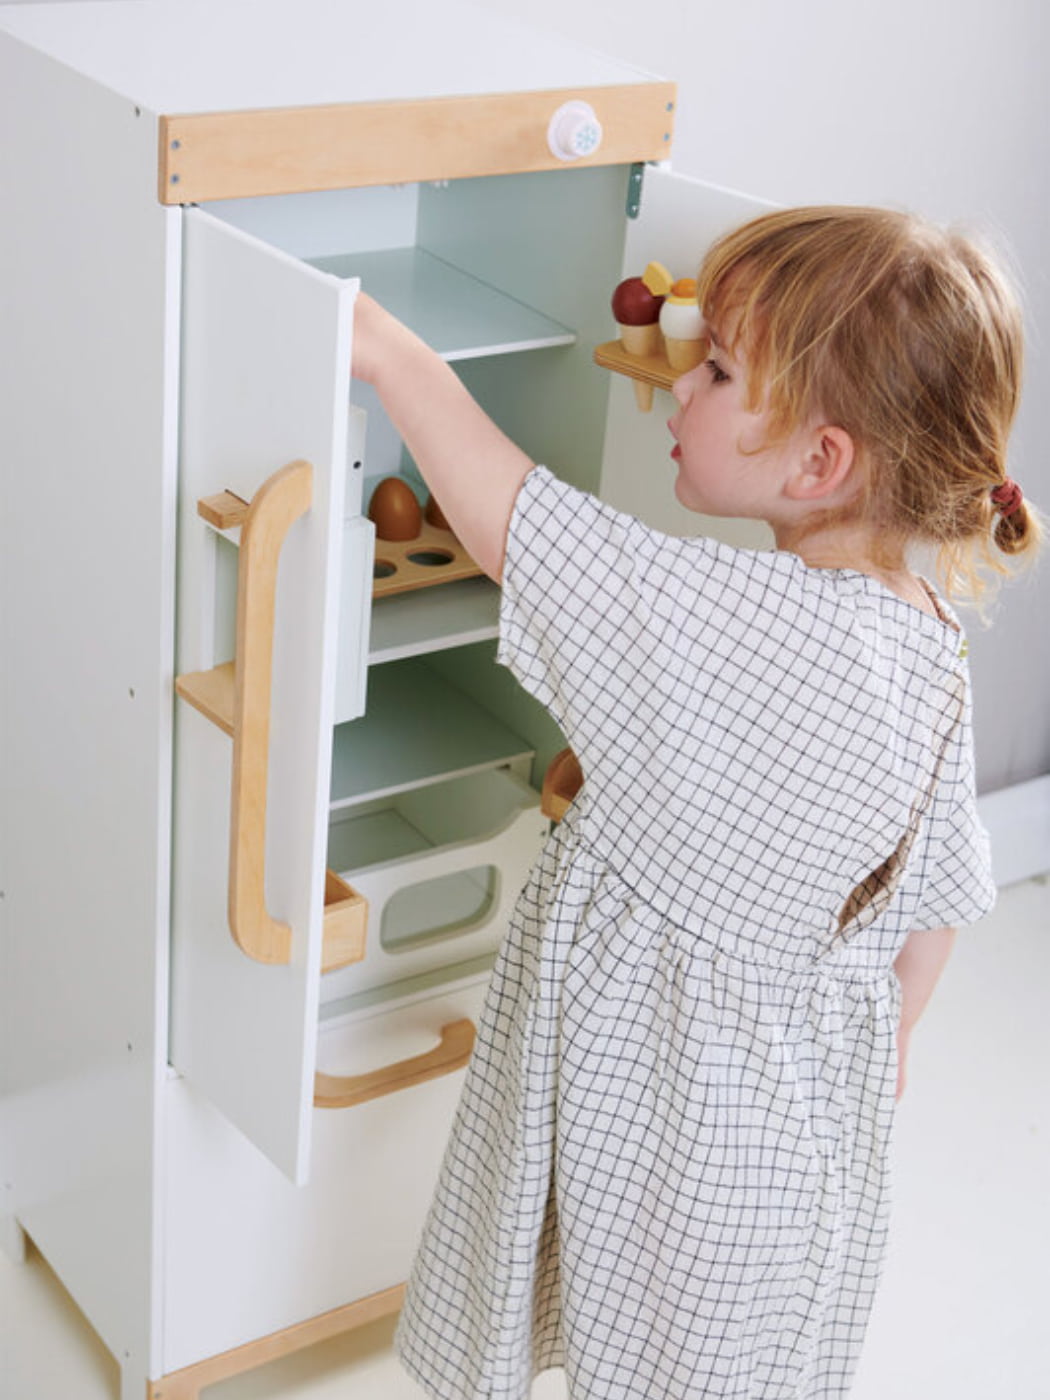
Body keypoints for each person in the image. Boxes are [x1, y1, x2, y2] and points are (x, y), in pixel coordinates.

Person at [350, 205, 1041, 1399]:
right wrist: (895, 1042)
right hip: (796, 1128)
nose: (680, 389)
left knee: (635, 1340)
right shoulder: (926, 641)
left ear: (821, 461)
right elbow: (934, 906)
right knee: (712, 1363)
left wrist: (387, 354)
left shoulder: (734, 616)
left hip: (669, 1115)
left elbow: (526, 525)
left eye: (717, 371)